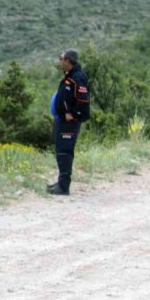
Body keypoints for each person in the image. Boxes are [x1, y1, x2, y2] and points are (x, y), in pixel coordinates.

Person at [48, 49, 91, 196]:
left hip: (70, 122)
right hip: (62, 119)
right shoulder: (70, 76)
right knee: (61, 150)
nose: (60, 61)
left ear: (68, 60)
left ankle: (64, 187)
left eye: (61, 58)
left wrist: (73, 114)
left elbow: (83, 100)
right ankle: (61, 182)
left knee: (65, 151)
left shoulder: (78, 77)